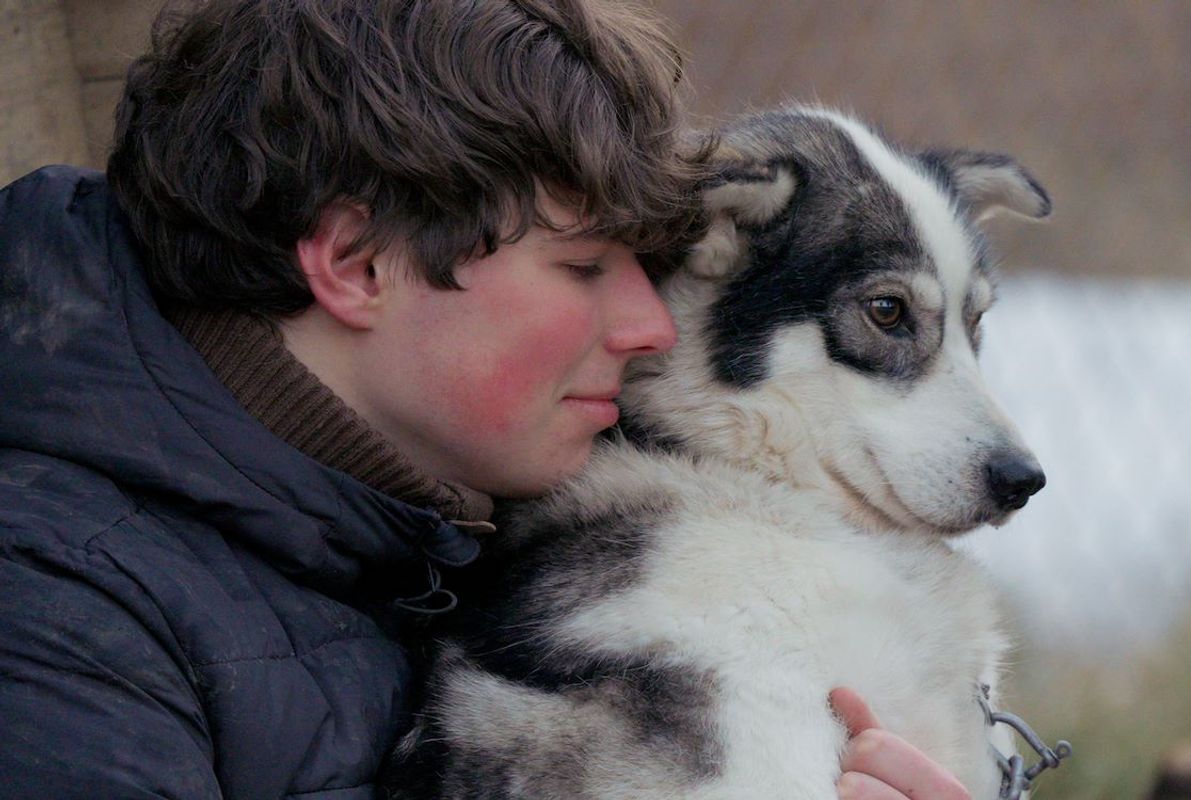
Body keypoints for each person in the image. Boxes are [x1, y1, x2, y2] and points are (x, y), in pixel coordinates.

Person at [0, 1, 968, 798]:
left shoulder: (434, 529)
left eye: (652, 269)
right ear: (357, 263)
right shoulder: (56, 612)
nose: (651, 325)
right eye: (584, 266)